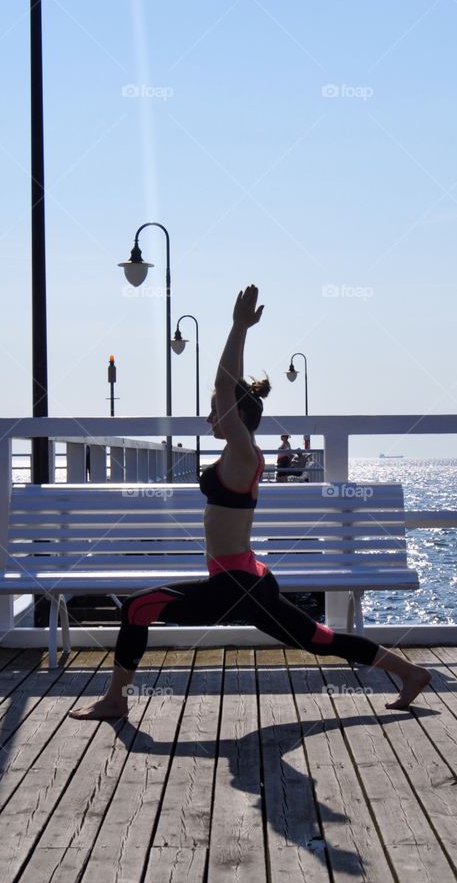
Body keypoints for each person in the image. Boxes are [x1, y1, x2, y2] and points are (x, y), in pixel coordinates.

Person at [70, 286, 430, 721]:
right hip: (246, 580)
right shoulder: (236, 455)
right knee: (319, 639)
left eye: (215, 411)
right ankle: (410, 672)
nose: (209, 418)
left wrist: (238, 327)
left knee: (137, 608)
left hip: (235, 585)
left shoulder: (244, 453)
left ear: (236, 416)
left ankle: (115, 700)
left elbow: (225, 385)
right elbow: (226, 393)